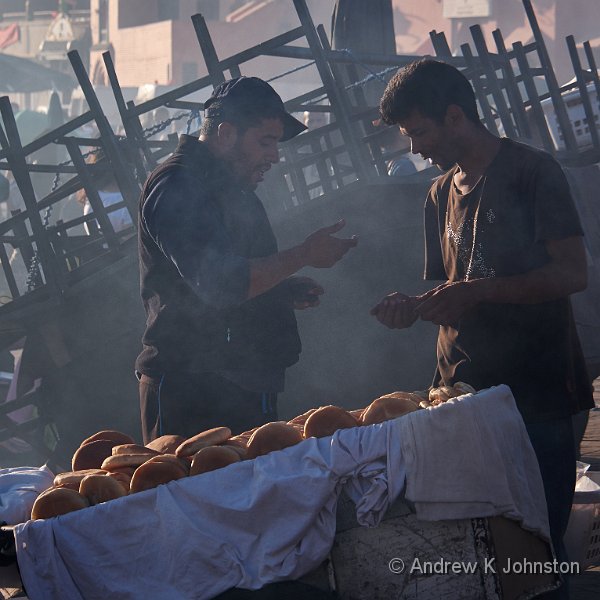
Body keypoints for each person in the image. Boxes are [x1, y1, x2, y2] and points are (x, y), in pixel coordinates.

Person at [370, 59, 593, 599]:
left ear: (455, 117)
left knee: (540, 550)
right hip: (461, 399)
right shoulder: (437, 194)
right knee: (483, 550)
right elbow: (457, 288)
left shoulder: (533, 171)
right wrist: (415, 307)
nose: (417, 149)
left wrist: (479, 291)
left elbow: (572, 273)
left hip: (537, 393)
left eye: (420, 133)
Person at [136, 76, 358, 444]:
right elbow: (222, 283)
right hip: (193, 393)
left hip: (245, 383)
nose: (274, 155)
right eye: (265, 141)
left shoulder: (236, 190)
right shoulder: (176, 186)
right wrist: (303, 254)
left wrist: (280, 291)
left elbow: (231, 281)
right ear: (225, 134)